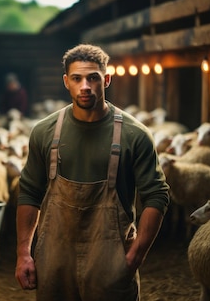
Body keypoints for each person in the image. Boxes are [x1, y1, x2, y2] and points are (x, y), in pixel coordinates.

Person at [14, 44, 170, 301]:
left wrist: (135, 256)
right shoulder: (45, 132)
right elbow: (29, 192)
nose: (85, 86)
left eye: (93, 78)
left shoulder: (135, 135)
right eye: (77, 78)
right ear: (66, 82)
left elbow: (157, 194)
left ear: (106, 79)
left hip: (111, 258)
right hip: (55, 257)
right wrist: (23, 254)